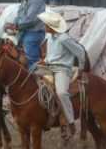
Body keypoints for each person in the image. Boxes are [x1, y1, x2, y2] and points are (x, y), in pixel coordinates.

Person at [37, 11, 87, 141]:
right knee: (29, 79)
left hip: (62, 70)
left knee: (61, 93)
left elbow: (80, 52)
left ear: (51, 26)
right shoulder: (49, 38)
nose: (44, 26)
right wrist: (45, 60)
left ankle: (70, 122)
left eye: (45, 25)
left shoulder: (64, 38)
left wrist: (81, 68)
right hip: (48, 67)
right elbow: (50, 55)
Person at [3, 0, 46, 70]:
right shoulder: (25, 0)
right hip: (25, 31)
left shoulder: (36, 0)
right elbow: (19, 16)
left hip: (35, 32)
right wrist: (13, 24)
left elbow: (30, 19)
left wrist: (15, 26)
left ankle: (34, 76)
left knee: (31, 58)